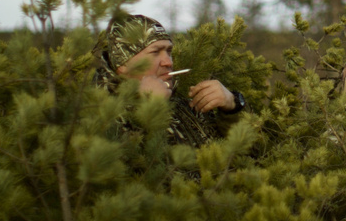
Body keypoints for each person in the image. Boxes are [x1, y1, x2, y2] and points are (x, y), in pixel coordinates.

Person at [98, 14, 246, 145]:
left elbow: (248, 154)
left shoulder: (184, 104)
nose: (168, 62)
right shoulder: (99, 115)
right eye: (155, 52)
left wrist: (232, 106)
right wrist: (151, 110)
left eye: (168, 51)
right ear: (122, 64)